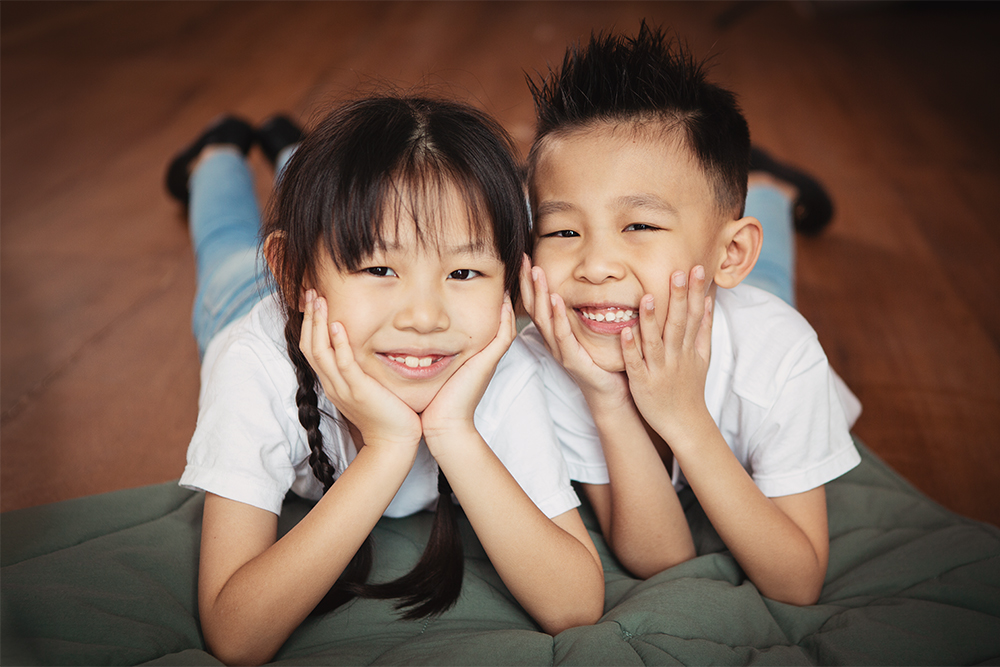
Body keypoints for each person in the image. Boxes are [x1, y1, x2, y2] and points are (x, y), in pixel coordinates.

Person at [166, 96, 604, 666]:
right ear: (293, 273)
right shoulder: (255, 365)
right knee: (226, 242)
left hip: (344, 308)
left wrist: (453, 431)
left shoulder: (503, 365)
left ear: (510, 286)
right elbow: (236, 635)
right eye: (379, 269)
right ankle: (217, 153)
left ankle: (290, 149)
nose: (425, 318)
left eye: (464, 272)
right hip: (248, 304)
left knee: (352, 195)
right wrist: (388, 448)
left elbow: (574, 605)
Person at [518, 23, 862, 606]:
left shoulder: (779, 354)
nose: (596, 264)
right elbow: (660, 558)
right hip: (675, 290)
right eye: (562, 229)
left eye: (640, 225)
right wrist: (606, 398)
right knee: (695, 276)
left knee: (770, 282)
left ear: (731, 254)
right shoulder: (553, 358)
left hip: (738, 300)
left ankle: (771, 190)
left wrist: (685, 419)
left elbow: (797, 581)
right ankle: (758, 186)